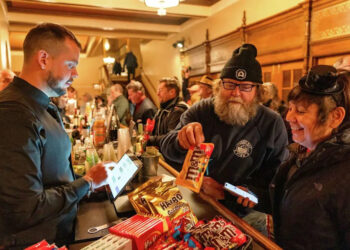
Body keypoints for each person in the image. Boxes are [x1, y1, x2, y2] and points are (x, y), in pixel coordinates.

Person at [0, 23, 109, 248]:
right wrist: (86, 183)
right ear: (43, 59)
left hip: (63, 230)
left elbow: (53, 174)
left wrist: (90, 183)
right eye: (71, 65)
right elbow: (25, 208)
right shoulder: (14, 113)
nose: (76, 74)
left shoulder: (42, 105)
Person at [160, 44, 288, 215]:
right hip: (194, 199)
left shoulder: (271, 123)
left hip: (242, 214)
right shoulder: (202, 110)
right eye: (229, 84)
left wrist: (226, 192)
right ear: (219, 86)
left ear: (257, 91)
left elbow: (275, 187)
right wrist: (180, 140)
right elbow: (167, 148)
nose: (235, 92)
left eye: (245, 87)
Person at [270, 65, 350, 249]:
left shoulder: (345, 171)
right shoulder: (300, 152)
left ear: (335, 116)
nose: (288, 117)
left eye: (300, 111)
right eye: (290, 108)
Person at [147, 77, 188, 147]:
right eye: (158, 90)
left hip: (171, 156)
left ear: (172, 92)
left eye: (160, 90)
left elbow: (171, 138)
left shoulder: (179, 111)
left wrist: (150, 140)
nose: (157, 93)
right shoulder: (163, 109)